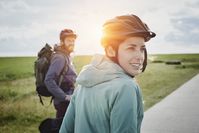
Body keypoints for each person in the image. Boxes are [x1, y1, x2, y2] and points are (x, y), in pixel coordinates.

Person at [59, 14, 156, 133]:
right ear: (111, 50)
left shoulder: (83, 83)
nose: (140, 56)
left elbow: (65, 130)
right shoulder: (126, 87)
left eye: (142, 49)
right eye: (131, 48)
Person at [44, 28, 77, 119]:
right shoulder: (60, 57)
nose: (72, 43)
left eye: (73, 41)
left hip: (68, 100)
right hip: (64, 102)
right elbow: (49, 80)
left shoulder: (67, 56)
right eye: (69, 40)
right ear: (62, 42)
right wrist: (64, 97)